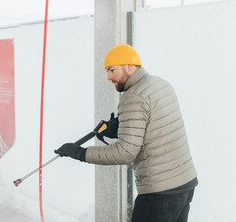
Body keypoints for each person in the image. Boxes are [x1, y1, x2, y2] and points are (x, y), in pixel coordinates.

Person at [54, 44, 198, 222]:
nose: (109, 77)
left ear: (130, 66)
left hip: (159, 194)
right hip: (184, 185)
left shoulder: (133, 96)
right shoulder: (160, 84)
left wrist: (81, 153)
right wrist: (120, 129)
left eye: (112, 70)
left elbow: (125, 153)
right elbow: (155, 130)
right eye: (107, 71)